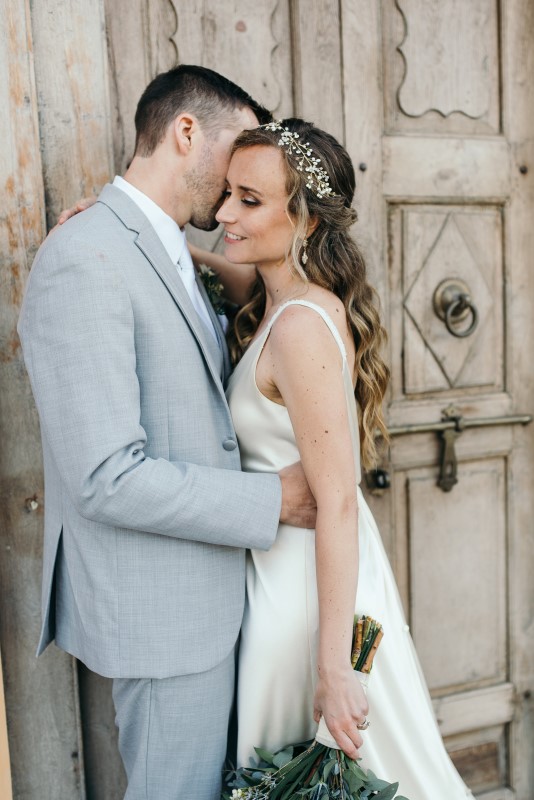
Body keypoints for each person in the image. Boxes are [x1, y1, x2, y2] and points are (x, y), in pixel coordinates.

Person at [17, 67, 318, 800]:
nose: (242, 173)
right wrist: (270, 501)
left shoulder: (170, 251)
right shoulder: (84, 259)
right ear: (187, 132)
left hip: (224, 600)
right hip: (164, 615)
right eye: (235, 147)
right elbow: (106, 477)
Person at [208, 118, 472, 798]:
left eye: (248, 199)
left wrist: (334, 663)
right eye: (226, 193)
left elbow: (340, 500)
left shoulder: (299, 328)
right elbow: (229, 268)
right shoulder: (286, 304)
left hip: (307, 596)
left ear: (302, 220)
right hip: (290, 577)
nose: (221, 213)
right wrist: (142, 237)